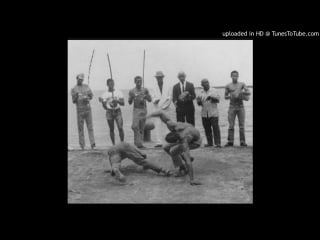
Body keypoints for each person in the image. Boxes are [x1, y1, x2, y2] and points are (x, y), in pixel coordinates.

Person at [146, 110, 202, 185]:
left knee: (174, 151)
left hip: (195, 142)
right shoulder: (172, 125)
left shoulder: (184, 140)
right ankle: (182, 166)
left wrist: (192, 180)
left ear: (178, 140)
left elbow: (188, 162)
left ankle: (184, 166)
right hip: (187, 136)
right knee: (166, 147)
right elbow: (161, 113)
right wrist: (147, 116)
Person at [106, 142, 171, 183]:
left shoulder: (112, 154)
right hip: (125, 146)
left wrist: (113, 170)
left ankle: (116, 170)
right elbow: (143, 155)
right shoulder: (130, 146)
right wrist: (142, 156)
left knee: (115, 164)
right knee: (143, 161)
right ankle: (164, 170)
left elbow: (112, 161)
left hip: (112, 151)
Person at [224, 70, 251, 147]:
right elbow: (225, 97)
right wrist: (231, 96)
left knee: (241, 125)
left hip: (241, 106)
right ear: (231, 76)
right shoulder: (228, 85)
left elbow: (249, 92)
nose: (235, 77)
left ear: (238, 76)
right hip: (232, 106)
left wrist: (242, 93)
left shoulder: (242, 84)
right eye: (233, 75)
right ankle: (230, 142)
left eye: (236, 75)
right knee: (231, 125)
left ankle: (242, 142)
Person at [71, 73, 95, 150]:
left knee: (90, 127)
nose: (80, 80)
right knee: (81, 129)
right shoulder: (73, 89)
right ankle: (82, 146)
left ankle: (93, 144)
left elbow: (91, 96)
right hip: (80, 111)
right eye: (79, 79)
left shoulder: (86, 86)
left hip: (88, 109)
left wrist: (89, 95)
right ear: (77, 79)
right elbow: (74, 101)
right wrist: (76, 96)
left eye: (82, 79)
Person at [99, 78, 125, 145]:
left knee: (120, 127)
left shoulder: (118, 92)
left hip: (117, 111)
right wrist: (102, 102)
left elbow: (123, 103)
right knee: (111, 129)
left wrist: (117, 101)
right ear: (107, 84)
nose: (112, 85)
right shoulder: (104, 94)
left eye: (113, 83)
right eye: (110, 84)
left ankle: (122, 143)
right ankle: (113, 144)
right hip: (109, 112)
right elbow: (105, 107)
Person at [196, 79, 221, 148]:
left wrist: (211, 97)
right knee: (207, 129)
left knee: (215, 128)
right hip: (204, 113)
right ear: (202, 85)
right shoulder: (200, 92)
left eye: (207, 82)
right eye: (204, 83)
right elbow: (199, 103)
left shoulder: (214, 90)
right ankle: (210, 143)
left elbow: (218, 100)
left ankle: (218, 143)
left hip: (214, 113)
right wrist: (199, 101)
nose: (206, 84)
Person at [128, 76, 152, 148]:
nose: (139, 83)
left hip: (144, 109)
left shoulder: (145, 90)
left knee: (142, 127)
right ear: (135, 82)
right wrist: (131, 97)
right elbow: (129, 102)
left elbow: (150, 100)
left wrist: (146, 96)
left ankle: (139, 144)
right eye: (137, 81)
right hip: (136, 109)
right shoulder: (132, 91)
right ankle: (136, 142)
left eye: (140, 81)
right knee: (134, 126)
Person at [150, 71, 172, 148]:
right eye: (157, 78)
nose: (159, 79)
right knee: (157, 125)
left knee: (167, 125)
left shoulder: (168, 86)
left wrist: (165, 106)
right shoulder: (153, 87)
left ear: (163, 78)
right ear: (156, 78)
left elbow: (169, 97)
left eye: (160, 77)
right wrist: (155, 100)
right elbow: (152, 97)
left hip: (166, 108)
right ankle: (159, 142)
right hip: (157, 108)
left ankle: (167, 141)